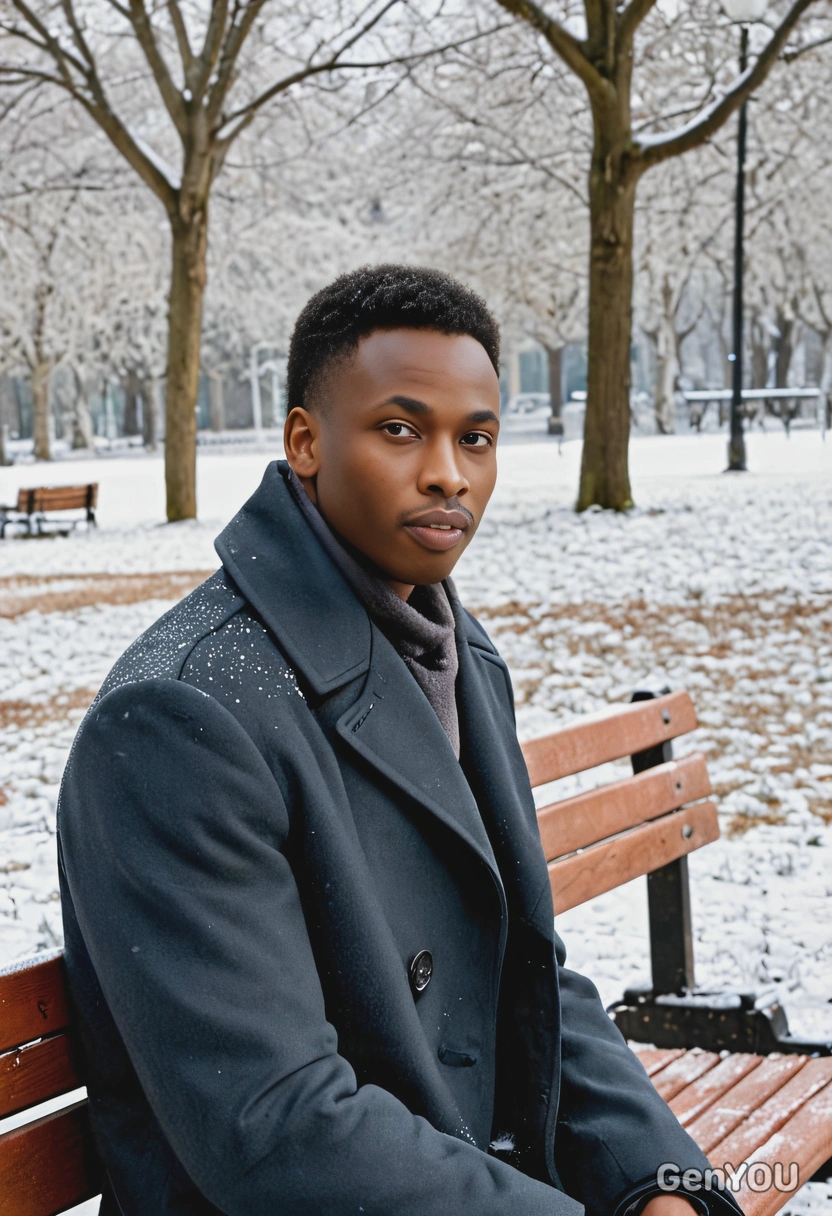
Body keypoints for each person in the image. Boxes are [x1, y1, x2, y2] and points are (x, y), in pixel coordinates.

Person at [58, 265, 738, 1216]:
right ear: (305, 441)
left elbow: (529, 979)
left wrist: (661, 1185)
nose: (448, 473)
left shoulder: (459, 653)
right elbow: (275, 1127)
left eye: (477, 438)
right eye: (400, 429)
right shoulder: (183, 716)